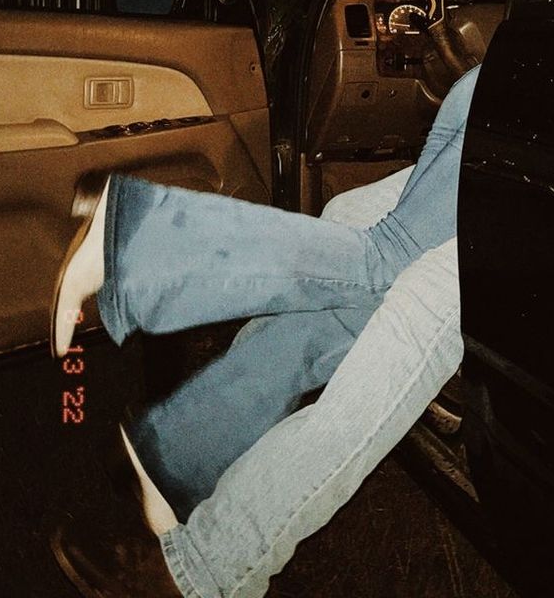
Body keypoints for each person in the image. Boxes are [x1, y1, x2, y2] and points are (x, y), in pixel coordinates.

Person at [50, 65, 480, 598]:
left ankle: (178, 454)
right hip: (550, 123)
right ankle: (138, 240)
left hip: (499, 85)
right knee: (381, 372)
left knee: (353, 264)